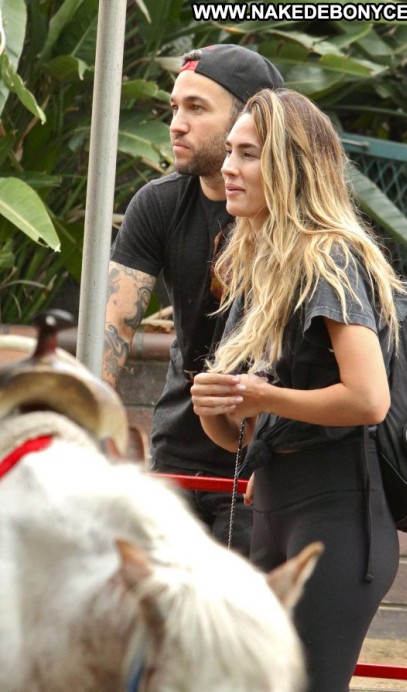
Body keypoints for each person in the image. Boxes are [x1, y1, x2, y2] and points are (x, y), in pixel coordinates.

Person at [190, 88, 407, 692]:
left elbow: (369, 399)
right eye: (230, 151)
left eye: (249, 154)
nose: (229, 167)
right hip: (276, 503)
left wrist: (262, 398)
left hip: (339, 513)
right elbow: (240, 437)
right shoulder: (252, 262)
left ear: (291, 166)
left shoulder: (328, 258)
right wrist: (215, 406)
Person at [102, 45, 284, 555]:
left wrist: (281, 454)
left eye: (197, 108)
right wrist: (89, 430)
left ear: (251, 119)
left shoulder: (296, 221)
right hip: (178, 449)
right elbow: (109, 334)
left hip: (265, 455)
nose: (176, 124)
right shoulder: (158, 203)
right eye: (174, 107)